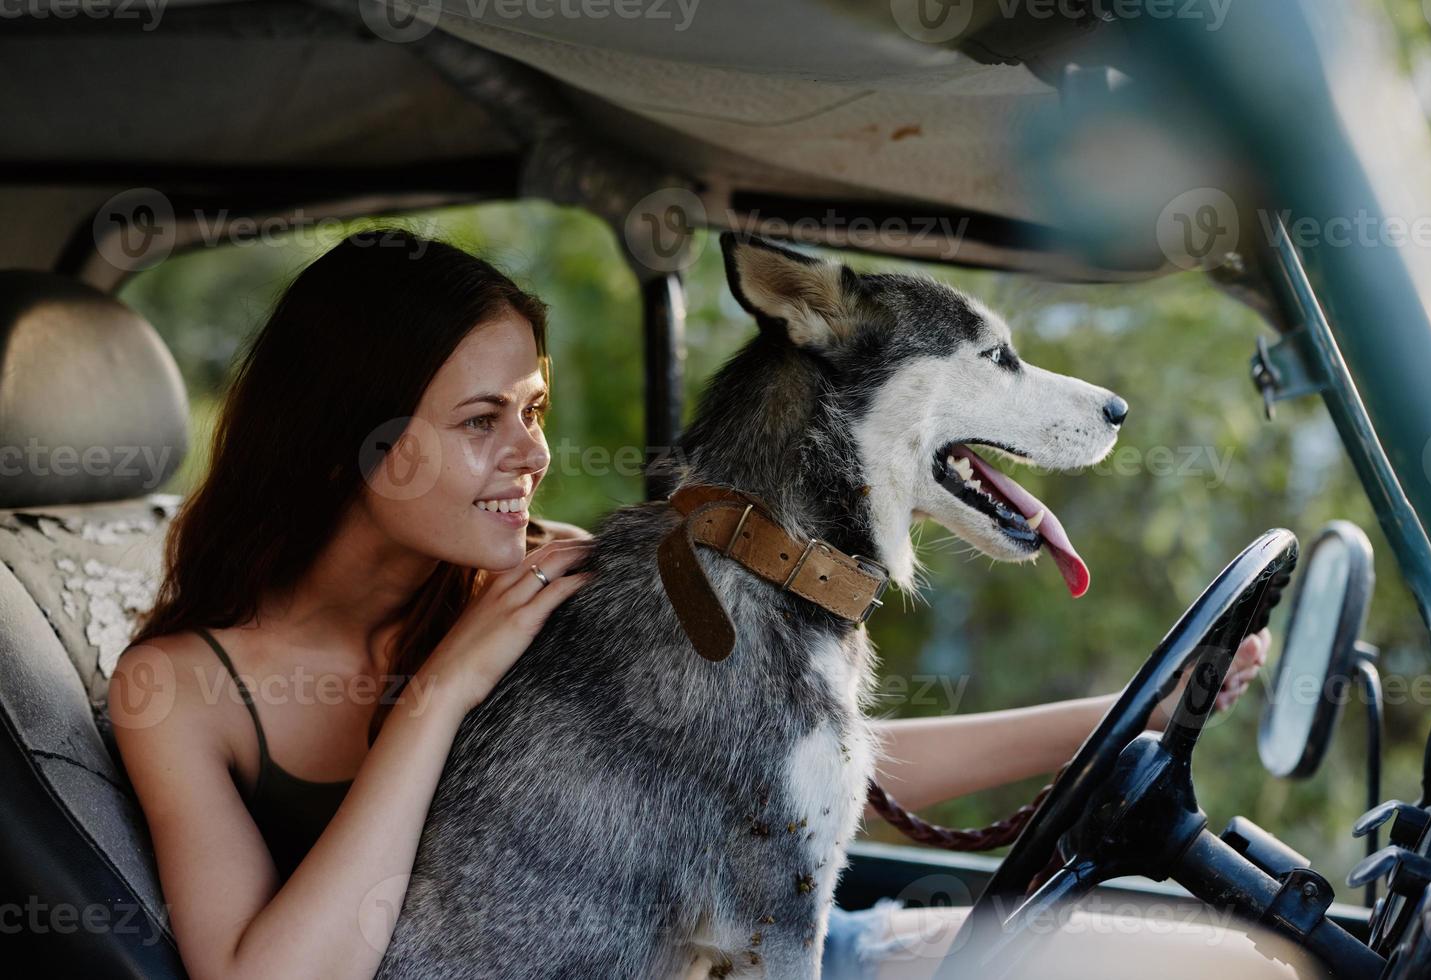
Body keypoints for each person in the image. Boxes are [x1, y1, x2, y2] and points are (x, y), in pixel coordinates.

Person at [110, 229, 1270, 980]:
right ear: (347, 440)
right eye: (482, 422)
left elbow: (779, 769)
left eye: (535, 405)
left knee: (1242, 967)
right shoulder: (182, 690)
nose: (533, 452)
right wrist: (445, 691)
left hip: (731, 952)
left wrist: (1129, 709)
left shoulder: (544, 577)